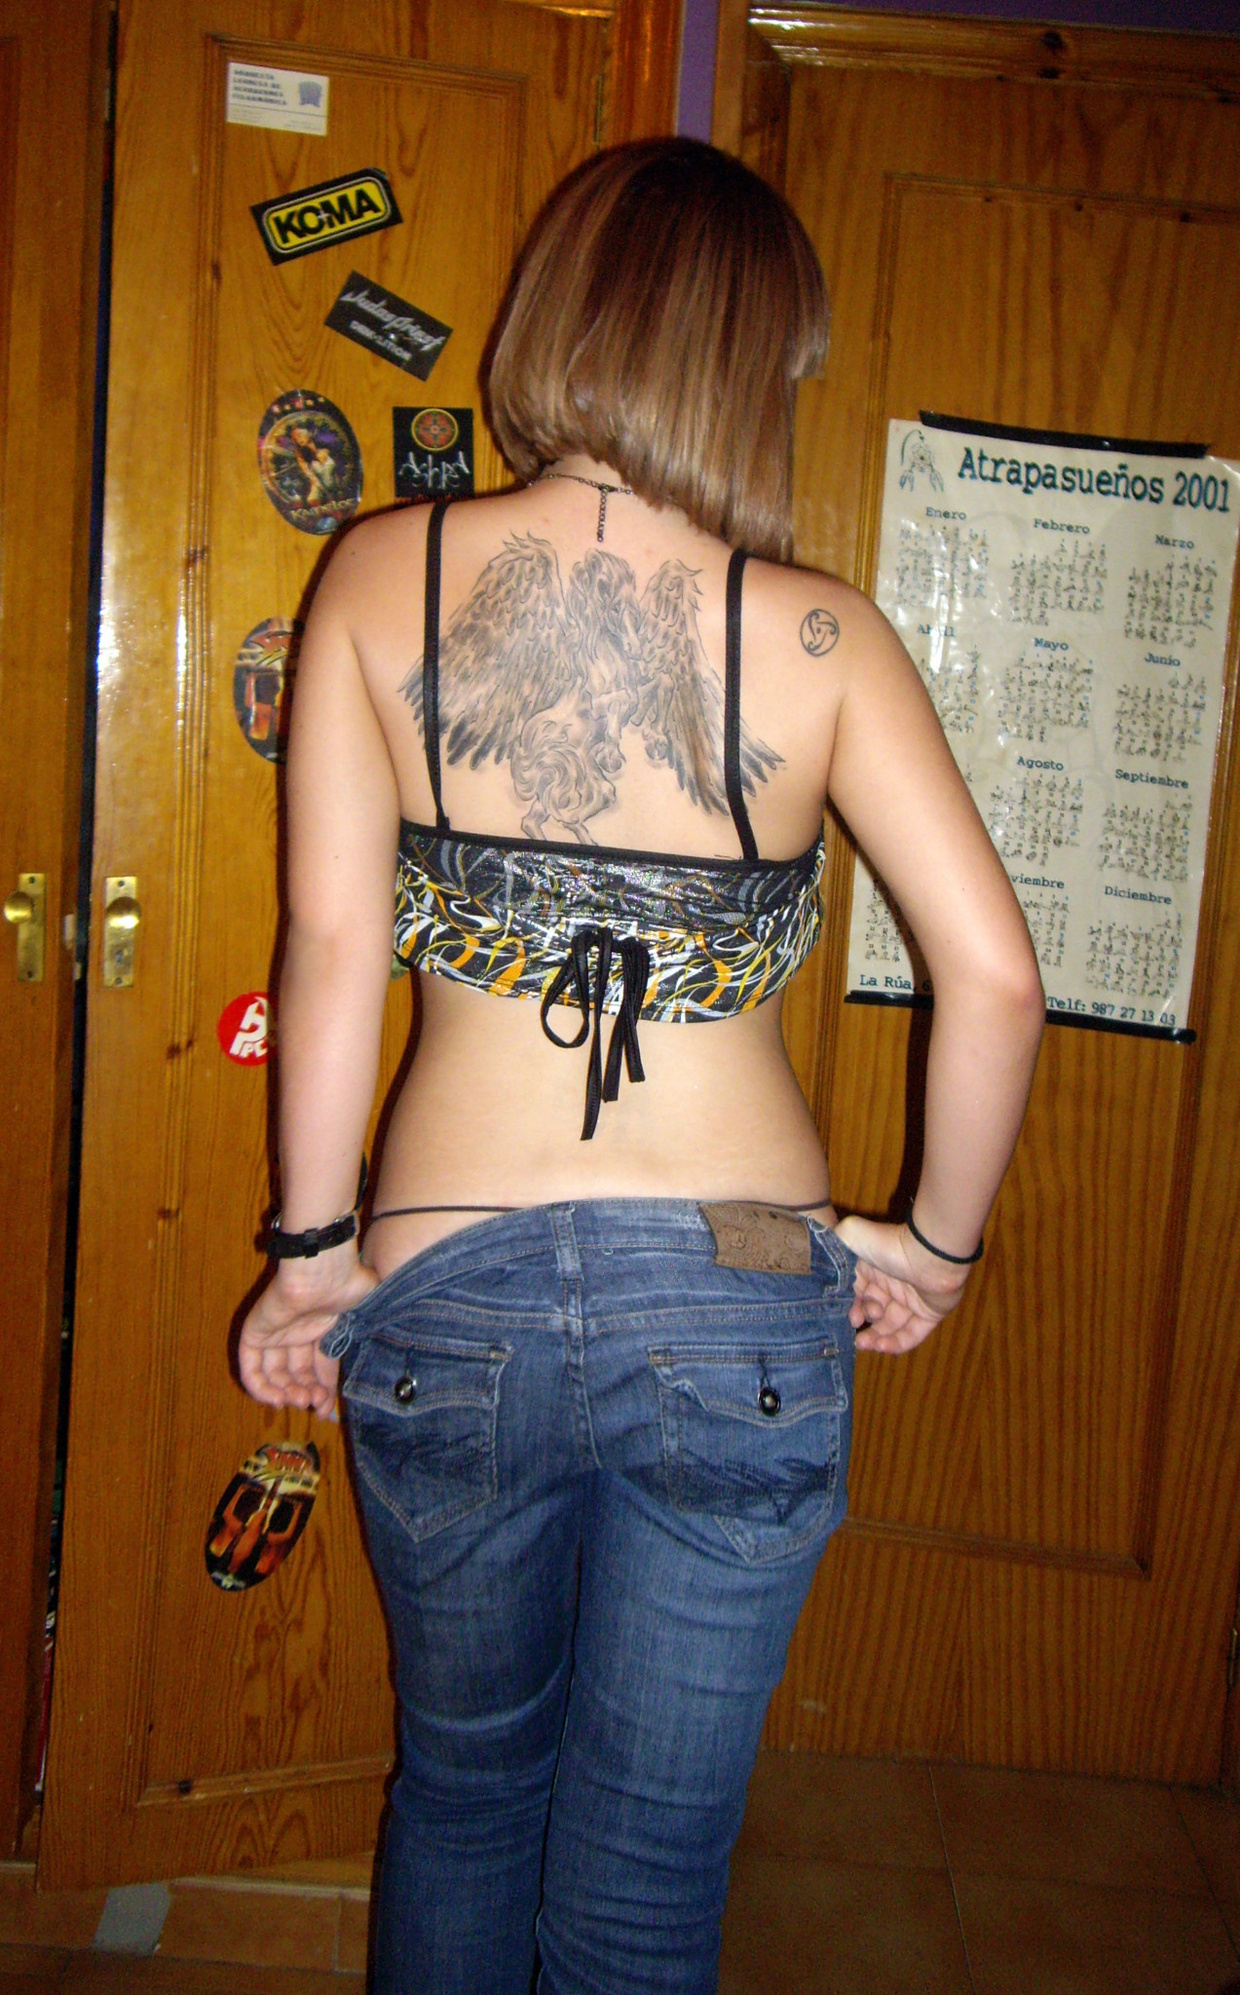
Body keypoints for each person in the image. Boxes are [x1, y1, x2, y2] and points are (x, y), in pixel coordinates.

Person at [238, 139, 1044, 1995]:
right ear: (751, 364)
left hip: (448, 1273)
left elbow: (335, 947)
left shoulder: (379, 573)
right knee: (649, 1870)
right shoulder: (824, 635)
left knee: (463, 1795)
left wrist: (309, 1256)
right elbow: (997, 981)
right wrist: (932, 1249)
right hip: (741, 1288)